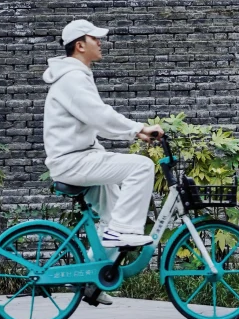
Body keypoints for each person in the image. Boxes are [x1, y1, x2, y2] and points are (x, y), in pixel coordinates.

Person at [42, 17, 163, 250]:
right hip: (73, 162)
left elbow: (97, 118)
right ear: (80, 45)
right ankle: (121, 233)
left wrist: (136, 132)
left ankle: (93, 272)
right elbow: (100, 116)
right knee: (142, 166)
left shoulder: (77, 75)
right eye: (95, 38)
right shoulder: (72, 78)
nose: (100, 43)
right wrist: (138, 129)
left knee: (113, 221)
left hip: (82, 159)